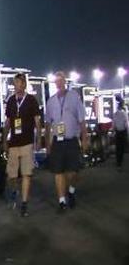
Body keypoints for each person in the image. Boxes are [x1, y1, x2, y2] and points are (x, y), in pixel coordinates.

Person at [44, 71, 87, 211]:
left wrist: (84, 138)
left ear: (65, 82)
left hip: (71, 140)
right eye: (57, 80)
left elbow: (81, 120)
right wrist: (47, 144)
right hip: (58, 141)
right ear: (55, 83)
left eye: (61, 80)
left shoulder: (74, 97)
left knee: (73, 172)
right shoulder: (51, 101)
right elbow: (48, 124)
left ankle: (71, 191)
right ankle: (62, 201)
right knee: (58, 172)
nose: (59, 83)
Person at [2, 73, 42, 216]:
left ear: (24, 84)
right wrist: (4, 139)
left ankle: (24, 203)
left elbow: (37, 121)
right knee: (11, 175)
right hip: (13, 143)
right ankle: (14, 189)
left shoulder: (31, 100)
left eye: (19, 83)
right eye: (15, 83)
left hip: (27, 142)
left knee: (26, 173)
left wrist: (38, 140)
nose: (16, 85)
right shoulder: (11, 101)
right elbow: (7, 122)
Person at [113, 96, 127, 170]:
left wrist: (113, 131)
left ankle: (118, 163)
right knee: (121, 148)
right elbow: (126, 125)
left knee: (118, 148)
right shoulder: (124, 114)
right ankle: (120, 162)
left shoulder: (115, 114)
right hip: (123, 132)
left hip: (117, 132)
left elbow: (113, 125)